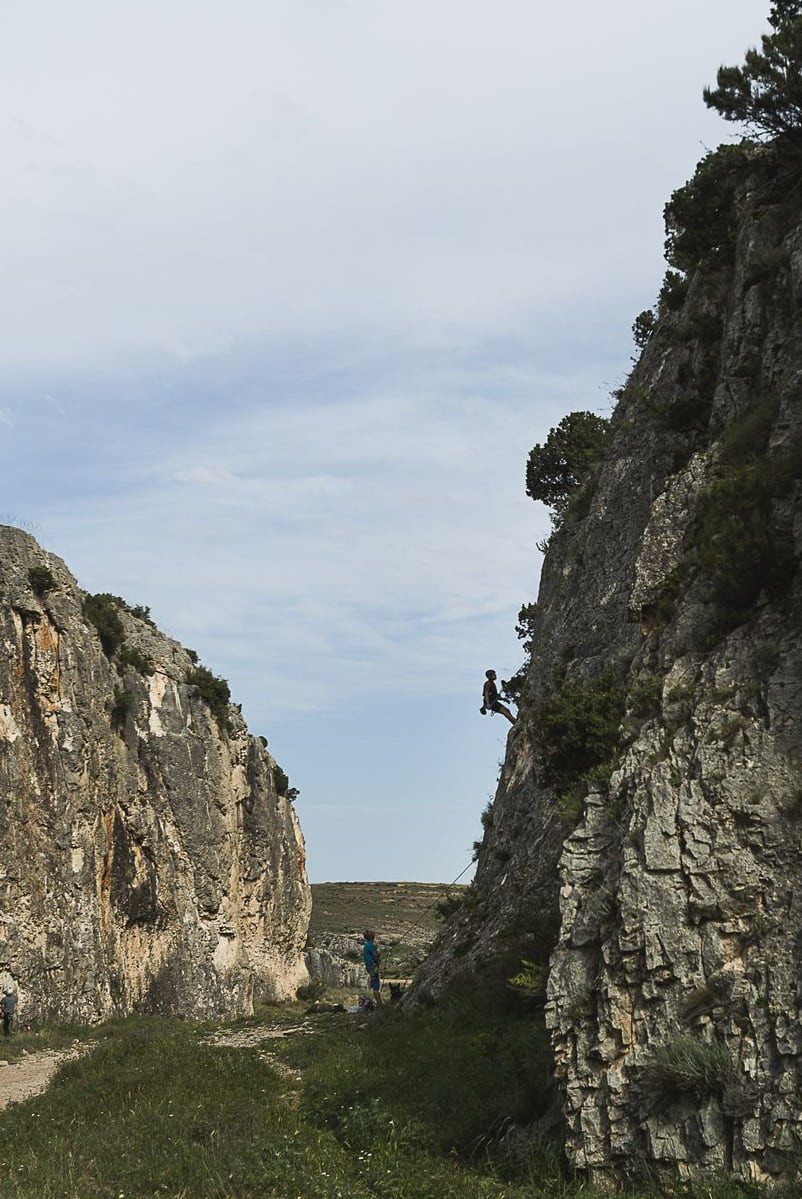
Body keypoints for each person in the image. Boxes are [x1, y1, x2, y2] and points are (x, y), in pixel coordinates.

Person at [362, 930, 382, 1004]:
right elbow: (375, 956)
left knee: (375, 986)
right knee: (376, 987)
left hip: (370, 967)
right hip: (373, 967)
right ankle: (380, 1004)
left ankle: (379, 1003)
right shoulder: (370, 945)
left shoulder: (366, 945)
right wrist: (379, 954)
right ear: (372, 937)